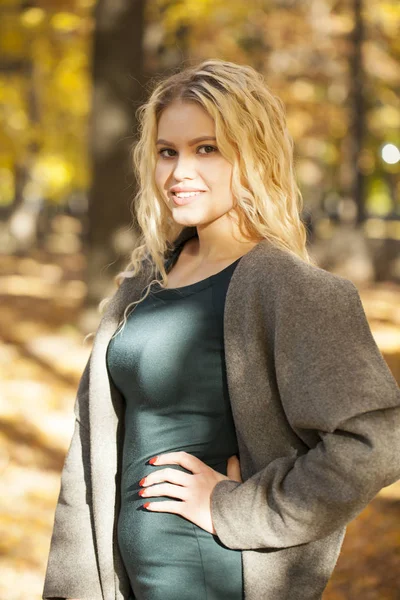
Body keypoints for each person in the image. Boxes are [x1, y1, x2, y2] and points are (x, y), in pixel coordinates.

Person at [42, 59, 400, 600]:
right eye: (168, 151)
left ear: (252, 155)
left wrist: (236, 507)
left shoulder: (288, 285)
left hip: (210, 577)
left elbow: (376, 441)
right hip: (125, 579)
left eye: (206, 148)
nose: (179, 171)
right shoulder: (148, 280)